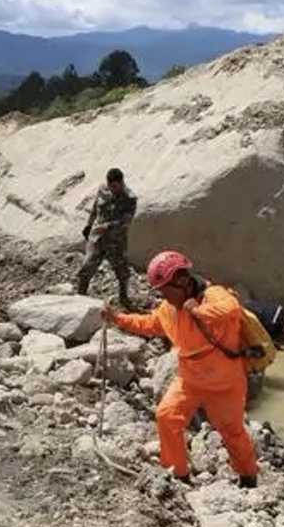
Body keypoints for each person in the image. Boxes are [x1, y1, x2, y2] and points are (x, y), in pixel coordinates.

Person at [103, 250, 262, 489]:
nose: (164, 296)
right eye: (161, 291)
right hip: (190, 378)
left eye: (167, 290)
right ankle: (178, 475)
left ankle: (248, 478)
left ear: (184, 281)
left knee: (232, 431)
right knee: (167, 416)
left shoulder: (212, 295)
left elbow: (230, 309)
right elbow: (149, 324)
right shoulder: (169, 308)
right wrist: (118, 319)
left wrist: (196, 311)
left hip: (224, 381)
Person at [74, 168, 138, 308]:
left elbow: (126, 221)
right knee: (87, 266)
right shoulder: (103, 189)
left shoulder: (130, 198)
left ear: (121, 183)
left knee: (122, 271)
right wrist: (89, 225)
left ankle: (123, 298)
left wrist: (108, 226)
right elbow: (95, 208)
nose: (111, 189)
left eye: (114, 186)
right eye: (110, 185)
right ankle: (80, 297)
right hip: (97, 238)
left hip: (116, 241)